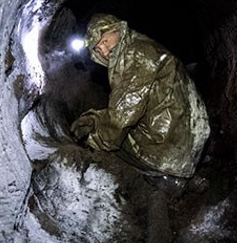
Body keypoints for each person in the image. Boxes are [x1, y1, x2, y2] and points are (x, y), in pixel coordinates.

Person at [70, 13, 210, 178]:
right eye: (98, 49)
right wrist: (95, 119)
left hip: (169, 148)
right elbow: (132, 104)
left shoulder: (136, 55)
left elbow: (123, 115)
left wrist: (92, 140)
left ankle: (164, 181)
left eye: (105, 41)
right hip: (185, 136)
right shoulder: (141, 47)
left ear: (118, 30)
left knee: (109, 146)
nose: (105, 51)